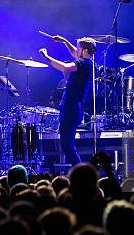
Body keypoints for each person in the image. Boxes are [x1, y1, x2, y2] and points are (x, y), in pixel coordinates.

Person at [39, 36, 96, 165]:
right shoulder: (88, 63)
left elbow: (65, 67)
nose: (76, 51)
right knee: (68, 145)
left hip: (71, 109)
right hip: (74, 108)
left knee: (68, 146)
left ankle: (80, 173)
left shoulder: (82, 63)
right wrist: (65, 41)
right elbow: (75, 52)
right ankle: (79, 172)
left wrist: (46, 56)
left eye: (79, 48)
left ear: (84, 50)